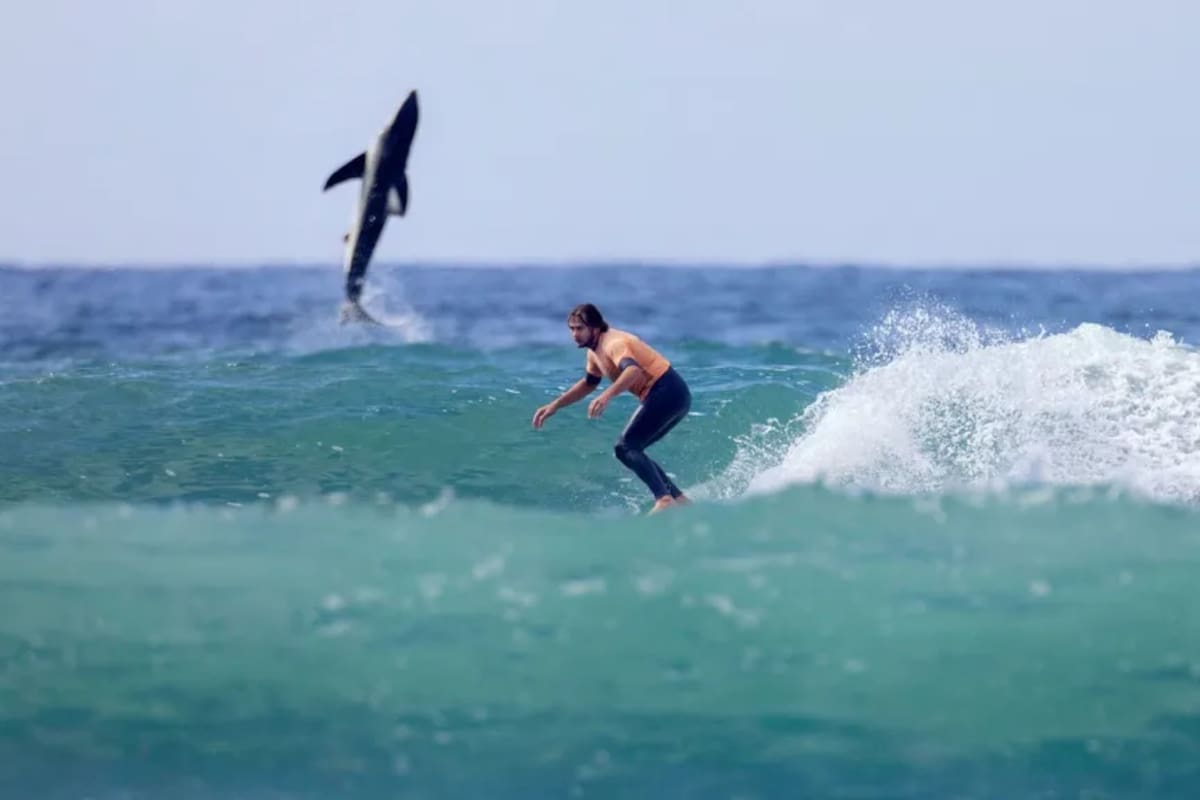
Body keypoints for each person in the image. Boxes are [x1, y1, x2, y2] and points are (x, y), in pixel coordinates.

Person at [532, 303, 692, 513]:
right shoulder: (594, 351)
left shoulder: (613, 343)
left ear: (595, 328)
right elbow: (589, 383)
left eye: (580, 328)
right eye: (571, 329)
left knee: (625, 447)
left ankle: (664, 499)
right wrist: (555, 405)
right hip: (674, 394)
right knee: (632, 448)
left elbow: (633, 370)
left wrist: (606, 396)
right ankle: (679, 500)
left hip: (666, 390)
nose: (574, 334)